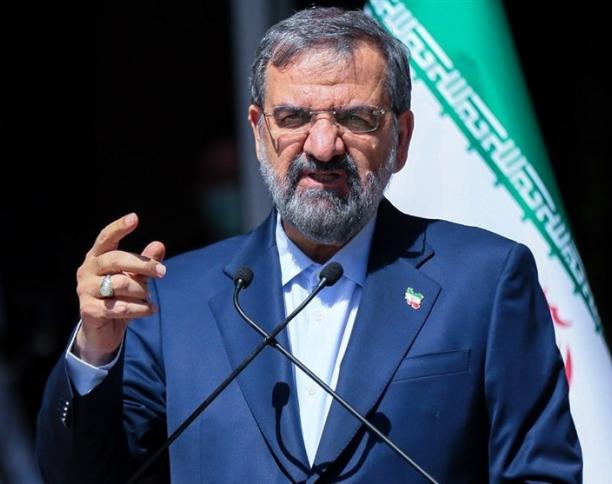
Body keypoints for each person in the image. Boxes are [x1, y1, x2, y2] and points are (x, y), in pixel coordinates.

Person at [36, 7, 582, 483]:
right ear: (259, 131)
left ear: (401, 138)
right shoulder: (170, 301)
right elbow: (83, 476)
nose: (322, 147)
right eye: (294, 117)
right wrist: (95, 351)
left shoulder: (485, 281)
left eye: (356, 118)